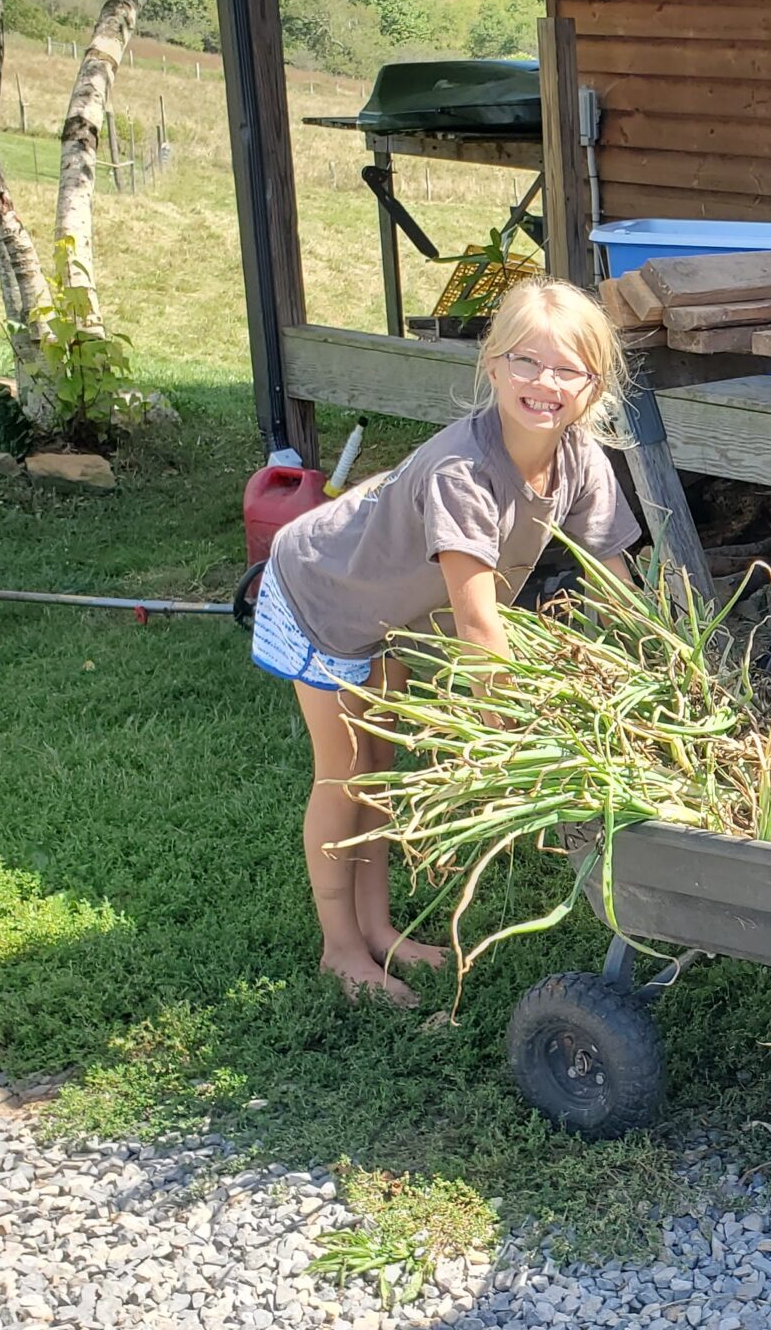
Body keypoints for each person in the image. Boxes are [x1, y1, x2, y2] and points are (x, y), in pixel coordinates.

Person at [250, 279, 641, 1005]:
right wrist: (511, 725)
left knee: (384, 770)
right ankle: (340, 948)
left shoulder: (583, 460)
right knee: (347, 772)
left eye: (568, 371)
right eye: (526, 362)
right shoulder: (465, 472)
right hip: (324, 593)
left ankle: (378, 928)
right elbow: (479, 621)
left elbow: (613, 578)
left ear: (595, 386)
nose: (545, 384)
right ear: (492, 364)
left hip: (391, 613)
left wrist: (642, 669)